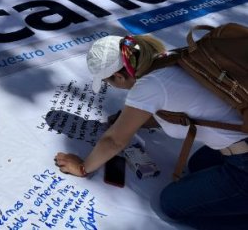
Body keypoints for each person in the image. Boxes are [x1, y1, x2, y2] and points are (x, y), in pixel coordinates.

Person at [54, 34, 248, 230]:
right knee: (198, 165)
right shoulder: (170, 59)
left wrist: (83, 167)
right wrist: (131, 120)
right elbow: (180, 108)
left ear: (119, 76)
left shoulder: (149, 85)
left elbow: (114, 141)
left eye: (108, 82)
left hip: (244, 163)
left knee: (171, 204)